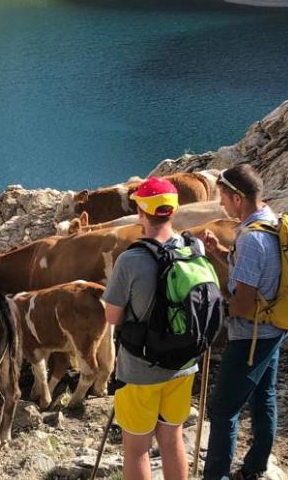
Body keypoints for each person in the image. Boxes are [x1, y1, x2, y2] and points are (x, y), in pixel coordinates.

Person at [103, 177, 199, 480]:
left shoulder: (131, 260)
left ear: (142, 213)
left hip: (140, 368)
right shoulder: (193, 248)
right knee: (172, 439)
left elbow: (112, 317)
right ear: (173, 211)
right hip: (184, 363)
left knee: (136, 448)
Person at [200, 164, 285, 480]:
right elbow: (252, 272)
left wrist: (218, 310)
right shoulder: (270, 221)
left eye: (222, 196)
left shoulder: (250, 240)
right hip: (274, 326)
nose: (220, 203)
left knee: (222, 409)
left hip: (251, 336)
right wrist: (219, 252)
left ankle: (217, 476)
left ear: (237, 197)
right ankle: (255, 466)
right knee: (264, 395)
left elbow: (244, 303)